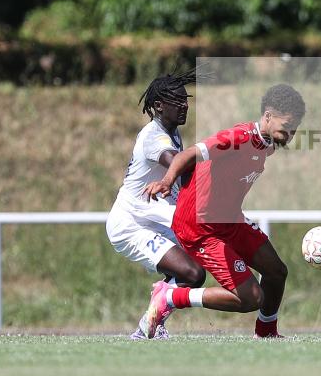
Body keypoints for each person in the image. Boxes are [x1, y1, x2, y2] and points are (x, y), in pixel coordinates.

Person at [142, 83, 305, 338]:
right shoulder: (236, 138)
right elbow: (188, 156)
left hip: (229, 220)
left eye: (294, 129)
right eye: (287, 127)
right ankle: (172, 296)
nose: (290, 134)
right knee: (251, 298)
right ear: (268, 117)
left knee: (276, 271)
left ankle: (266, 334)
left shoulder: (268, 144)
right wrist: (166, 181)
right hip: (199, 226)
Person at [105, 70, 206, 340]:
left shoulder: (171, 133)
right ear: (159, 106)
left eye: (186, 99)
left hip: (154, 220)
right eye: (177, 100)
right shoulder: (155, 137)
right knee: (192, 272)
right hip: (130, 225)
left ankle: (150, 321)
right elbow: (178, 163)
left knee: (196, 272)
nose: (185, 105)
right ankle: (148, 323)